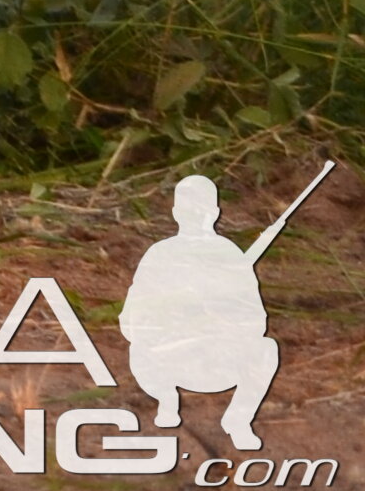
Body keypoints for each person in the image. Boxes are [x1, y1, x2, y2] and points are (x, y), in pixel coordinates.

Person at [117, 174, 283, 449]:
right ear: (176, 213)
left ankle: (238, 419)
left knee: (266, 349)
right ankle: (167, 399)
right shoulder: (159, 254)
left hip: (217, 361)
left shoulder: (230, 256)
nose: (194, 215)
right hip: (167, 362)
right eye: (188, 209)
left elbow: (256, 321)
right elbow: (131, 317)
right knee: (138, 348)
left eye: (200, 209)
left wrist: (220, 317)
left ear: (215, 213)